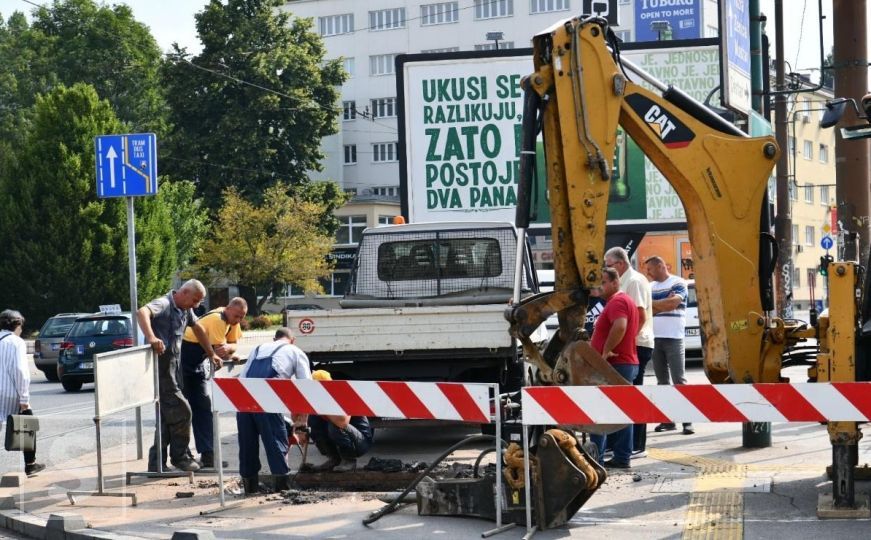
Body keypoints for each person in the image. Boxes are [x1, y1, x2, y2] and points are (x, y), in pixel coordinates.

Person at [138, 279, 222, 473]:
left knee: (168, 418)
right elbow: (142, 312)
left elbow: (198, 328)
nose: (195, 305)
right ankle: (180, 457)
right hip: (161, 370)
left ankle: (156, 463)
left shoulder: (185, 309)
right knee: (183, 412)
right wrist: (151, 337)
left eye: (198, 302)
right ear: (183, 292)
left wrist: (211, 353)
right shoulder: (165, 303)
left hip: (173, 370)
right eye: (194, 300)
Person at [237, 327, 311, 494]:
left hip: (243, 400)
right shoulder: (295, 351)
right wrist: (301, 422)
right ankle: (282, 489)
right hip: (267, 400)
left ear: (275, 338)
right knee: (276, 443)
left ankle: (250, 489)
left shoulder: (257, 349)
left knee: (247, 446)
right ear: (292, 340)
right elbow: (306, 387)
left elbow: (243, 376)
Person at [180, 297, 248, 468]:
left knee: (203, 407)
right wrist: (229, 351)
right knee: (183, 411)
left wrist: (230, 349)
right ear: (228, 308)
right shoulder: (218, 319)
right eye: (237, 316)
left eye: (242, 317)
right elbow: (221, 351)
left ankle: (208, 455)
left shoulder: (231, 320)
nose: (238, 320)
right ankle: (180, 455)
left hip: (196, 364)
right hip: (184, 360)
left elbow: (232, 345)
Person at [604, 247, 654, 458]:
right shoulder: (626, 280)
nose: (607, 269)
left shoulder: (632, 281)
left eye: (609, 265)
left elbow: (639, 316)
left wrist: (627, 343)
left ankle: (635, 445)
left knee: (632, 397)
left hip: (637, 345)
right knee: (623, 397)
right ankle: (619, 444)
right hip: (632, 345)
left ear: (621, 263)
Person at [588, 268, 639, 469]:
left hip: (616, 364)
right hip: (624, 363)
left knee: (600, 412)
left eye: (603, 283)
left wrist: (606, 351)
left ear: (615, 282)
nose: (599, 287)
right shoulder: (622, 301)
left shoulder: (617, 302)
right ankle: (622, 456)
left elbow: (620, 326)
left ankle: (596, 459)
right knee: (622, 413)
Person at [644, 256, 693, 435]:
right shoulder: (650, 287)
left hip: (674, 338)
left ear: (660, 266)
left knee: (679, 380)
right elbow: (646, 308)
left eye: (649, 269)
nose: (647, 273)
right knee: (662, 382)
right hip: (654, 339)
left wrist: (655, 305)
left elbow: (674, 303)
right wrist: (661, 304)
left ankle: (688, 421)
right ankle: (668, 420)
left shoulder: (678, 282)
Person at [0, 310, 45, 477]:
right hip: (10, 393)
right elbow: (21, 372)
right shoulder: (16, 342)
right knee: (28, 423)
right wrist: (24, 398)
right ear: (16, 324)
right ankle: (30, 464)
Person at [308, 369, 374, 472]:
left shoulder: (343, 394)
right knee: (313, 420)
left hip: (361, 442)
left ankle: (349, 460)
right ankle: (334, 458)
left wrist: (320, 409)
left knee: (335, 425)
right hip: (347, 434)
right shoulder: (315, 398)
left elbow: (343, 422)